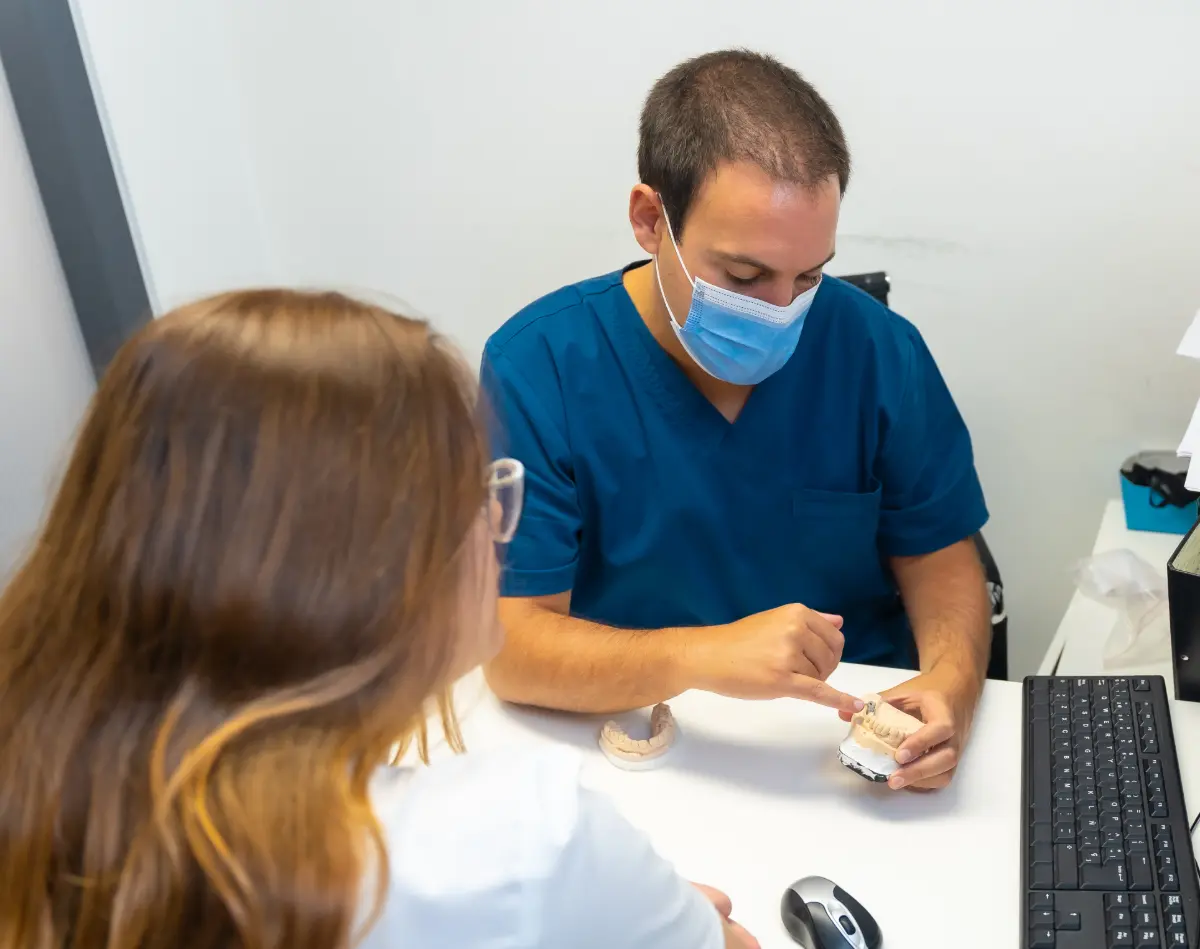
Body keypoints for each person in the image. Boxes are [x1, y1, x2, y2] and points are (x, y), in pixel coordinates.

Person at [0, 290, 757, 949]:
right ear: (368, 562)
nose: (499, 521)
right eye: (476, 488)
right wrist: (628, 904)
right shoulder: (527, 839)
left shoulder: (50, 810)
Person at [480, 49, 992, 792]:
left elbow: (943, 560)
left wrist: (953, 683)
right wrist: (699, 657)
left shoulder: (877, 352)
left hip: (840, 752)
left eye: (810, 275)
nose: (782, 309)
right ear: (651, 220)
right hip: (638, 747)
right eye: (746, 277)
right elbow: (512, 647)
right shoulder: (541, 367)